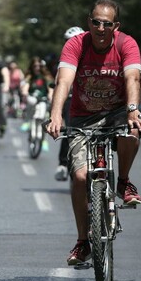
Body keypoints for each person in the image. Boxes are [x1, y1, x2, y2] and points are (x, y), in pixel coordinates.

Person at [46, 0, 141, 265]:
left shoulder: (127, 43)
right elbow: (64, 80)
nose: (101, 28)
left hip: (117, 113)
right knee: (79, 178)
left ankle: (124, 180)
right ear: (88, 22)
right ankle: (82, 241)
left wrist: (133, 109)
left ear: (116, 26)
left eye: (107, 23)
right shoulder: (76, 44)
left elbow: (132, 77)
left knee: (131, 132)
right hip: (82, 117)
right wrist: (56, 115)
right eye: (96, 22)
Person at [54, 26, 85, 181]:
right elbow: (60, 82)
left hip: (94, 100)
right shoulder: (65, 59)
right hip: (71, 98)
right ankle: (63, 163)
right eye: (69, 41)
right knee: (70, 130)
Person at [20, 56, 54, 131]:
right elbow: (26, 85)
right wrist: (25, 92)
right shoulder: (30, 76)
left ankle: (44, 139)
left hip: (43, 99)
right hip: (32, 98)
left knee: (43, 117)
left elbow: (50, 87)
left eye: (39, 66)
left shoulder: (46, 77)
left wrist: (50, 95)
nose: (37, 68)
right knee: (31, 102)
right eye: (35, 66)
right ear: (32, 67)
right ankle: (27, 121)